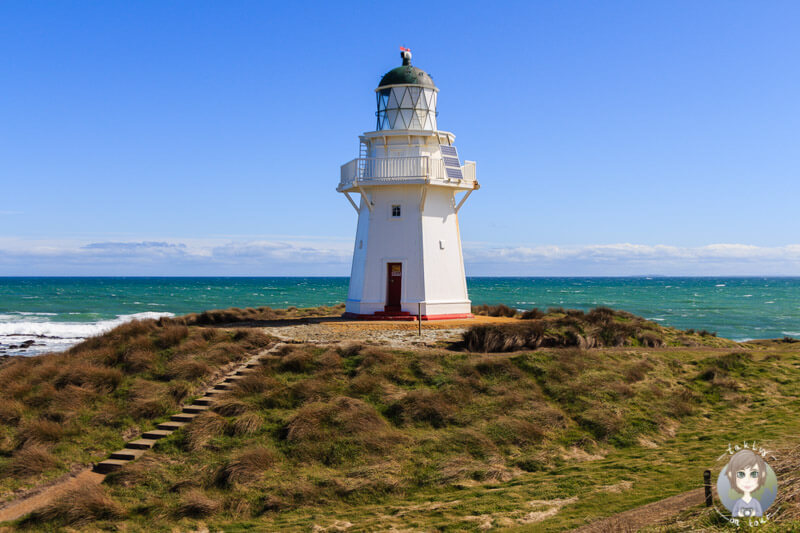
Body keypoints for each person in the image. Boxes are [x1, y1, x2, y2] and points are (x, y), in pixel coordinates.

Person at [725, 449, 767, 517]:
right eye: (741, 474)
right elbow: (734, 514)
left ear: (762, 475)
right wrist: (740, 514)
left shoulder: (755, 502)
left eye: (754, 474)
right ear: (731, 475)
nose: (747, 480)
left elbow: (759, 513)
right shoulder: (739, 503)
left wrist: (753, 514)